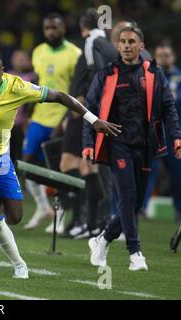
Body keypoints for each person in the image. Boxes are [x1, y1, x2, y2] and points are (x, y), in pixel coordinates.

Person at [0, 47, 120, 278]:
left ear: (2, 70)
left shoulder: (17, 87)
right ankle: (19, 264)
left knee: (16, 217)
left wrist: (94, 119)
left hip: (1, 159)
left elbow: (60, 96)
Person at [84, 26, 181, 271]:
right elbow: (90, 110)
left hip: (146, 146)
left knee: (135, 203)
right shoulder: (106, 74)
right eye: (123, 42)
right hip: (118, 144)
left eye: (131, 41)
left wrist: (177, 137)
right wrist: (87, 144)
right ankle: (135, 252)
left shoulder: (154, 74)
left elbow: (169, 108)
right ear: (117, 46)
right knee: (127, 197)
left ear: (141, 46)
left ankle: (102, 239)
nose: (126, 45)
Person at [60, 8, 117, 239]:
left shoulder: (91, 42)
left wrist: (84, 99)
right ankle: (89, 221)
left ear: (82, 27)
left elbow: (97, 71)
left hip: (86, 112)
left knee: (80, 165)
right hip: (90, 111)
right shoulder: (105, 42)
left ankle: (85, 221)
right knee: (84, 165)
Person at [22, 13, 82, 232]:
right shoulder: (38, 51)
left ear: (63, 28)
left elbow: (76, 90)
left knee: (58, 169)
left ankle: (60, 216)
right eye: (47, 28)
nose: (51, 32)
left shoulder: (75, 54)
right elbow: (36, 85)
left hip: (61, 119)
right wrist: (28, 116)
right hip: (38, 117)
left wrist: (66, 120)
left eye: (55, 28)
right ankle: (42, 207)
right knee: (26, 163)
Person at [140, 42, 181, 221]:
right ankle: (141, 208)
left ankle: (179, 210)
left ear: (173, 57)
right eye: (160, 55)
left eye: (167, 55)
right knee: (149, 170)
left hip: (174, 132)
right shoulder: (149, 75)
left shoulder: (179, 78)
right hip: (154, 130)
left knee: (177, 173)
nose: (163, 58)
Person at [7, 50, 37, 165]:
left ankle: (23, 177)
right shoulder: (8, 76)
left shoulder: (32, 77)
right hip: (9, 123)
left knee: (22, 153)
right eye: (17, 59)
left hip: (23, 124)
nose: (20, 62)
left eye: (22, 59)